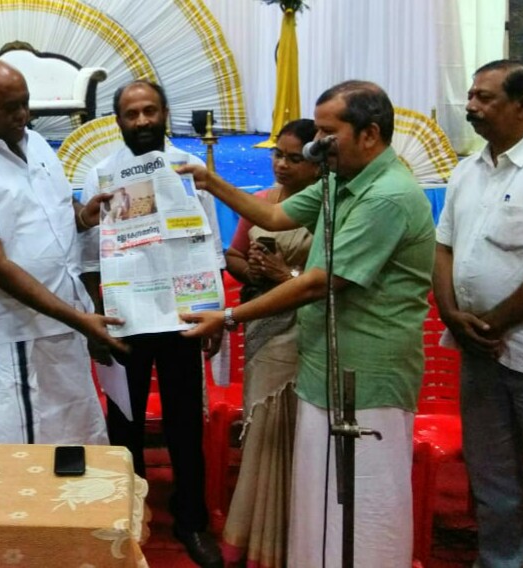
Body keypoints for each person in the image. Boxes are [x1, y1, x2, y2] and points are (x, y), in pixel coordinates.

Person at [177, 80, 436, 567]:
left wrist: (228, 316)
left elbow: (318, 282)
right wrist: (211, 182)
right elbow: (274, 215)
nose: (316, 145)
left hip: (368, 376)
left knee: (365, 509)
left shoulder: (387, 196)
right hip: (322, 367)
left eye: (326, 133)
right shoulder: (341, 180)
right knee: (320, 502)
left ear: (369, 134)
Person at [0, 60, 126, 445]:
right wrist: (80, 320)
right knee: (8, 464)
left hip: (58, 332)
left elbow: (52, 211)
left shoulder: (34, 143)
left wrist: (82, 217)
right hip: (2, 341)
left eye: (25, 103)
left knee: (73, 451)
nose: (23, 114)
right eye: (10, 107)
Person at [80, 80, 225, 568]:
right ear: (118, 121)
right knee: (125, 422)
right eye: (132, 114)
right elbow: (88, 257)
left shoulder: (190, 169)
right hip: (123, 319)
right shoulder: (101, 174)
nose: (142, 120)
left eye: (150, 111)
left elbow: (210, 244)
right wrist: (95, 318)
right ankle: (128, 518)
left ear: (165, 113)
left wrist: (214, 314)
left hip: (181, 317)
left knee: (185, 423)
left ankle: (191, 521)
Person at [434, 60, 523, 567]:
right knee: (492, 479)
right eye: (471, 96)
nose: (471, 106)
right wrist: (451, 314)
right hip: (478, 351)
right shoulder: (467, 170)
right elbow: (443, 247)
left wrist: (493, 322)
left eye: (485, 98)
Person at [221, 119, 318, 568]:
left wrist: (287, 276)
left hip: (306, 330)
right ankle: (258, 539)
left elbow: (325, 281)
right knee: (262, 429)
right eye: (278, 154)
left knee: (298, 433)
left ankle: (296, 538)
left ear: (316, 162)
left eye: (294, 158)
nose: (282, 164)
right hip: (262, 326)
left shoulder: (329, 210)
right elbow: (234, 255)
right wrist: (255, 272)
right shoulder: (260, 202)